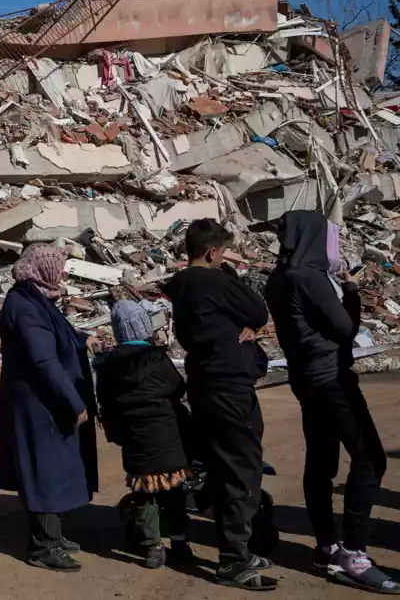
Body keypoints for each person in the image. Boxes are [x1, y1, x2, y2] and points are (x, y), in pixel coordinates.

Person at [265, 210, 396, 593]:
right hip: (331, 381)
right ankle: (354, 554)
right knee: (370, 460)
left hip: (305, 379)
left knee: (321, 461)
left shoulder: (280, 277)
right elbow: (344, 328)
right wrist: (352, 291)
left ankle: (326, 546)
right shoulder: (309, 277)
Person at [161, 219, 276, 591]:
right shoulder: (216, 279)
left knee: (224, 464)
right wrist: (229, 275)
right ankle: (232, 559)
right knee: (242, 468)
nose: (224, 258)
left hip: (206, 383)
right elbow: (258, 313)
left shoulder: (178, 286)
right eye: (222, 252)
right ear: (212, 252)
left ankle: (237, 546)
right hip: (229, 387)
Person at [0, 243, 99, 572]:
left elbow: (59, 334)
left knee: (54, 468)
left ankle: (53, 534)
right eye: (60, 265)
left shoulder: (38, 297)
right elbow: (43, 359)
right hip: (38, 404)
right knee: (43, 470)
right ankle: (44, 546)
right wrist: (73, 401)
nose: (64, 272)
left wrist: (83, 340)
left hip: (45, 402)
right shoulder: (25, 305)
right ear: (43, 267)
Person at [94, 300, 193, 570]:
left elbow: (105, 400)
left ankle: (153, 548)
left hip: (135, 440)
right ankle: (180, 541)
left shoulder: (108, 365)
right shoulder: (158, 359)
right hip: (167, 436)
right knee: (173, 491)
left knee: (144, 496)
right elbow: (178, 387)